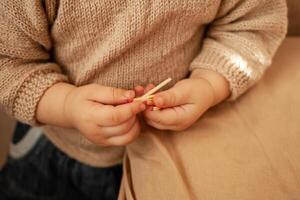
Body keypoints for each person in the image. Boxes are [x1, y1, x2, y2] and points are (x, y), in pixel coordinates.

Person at [0, 0, 287, 199]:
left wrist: (208, 84)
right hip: (55, 147)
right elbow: (9, 64)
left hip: (165, 154)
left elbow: (252, 26)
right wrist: (65, 105)